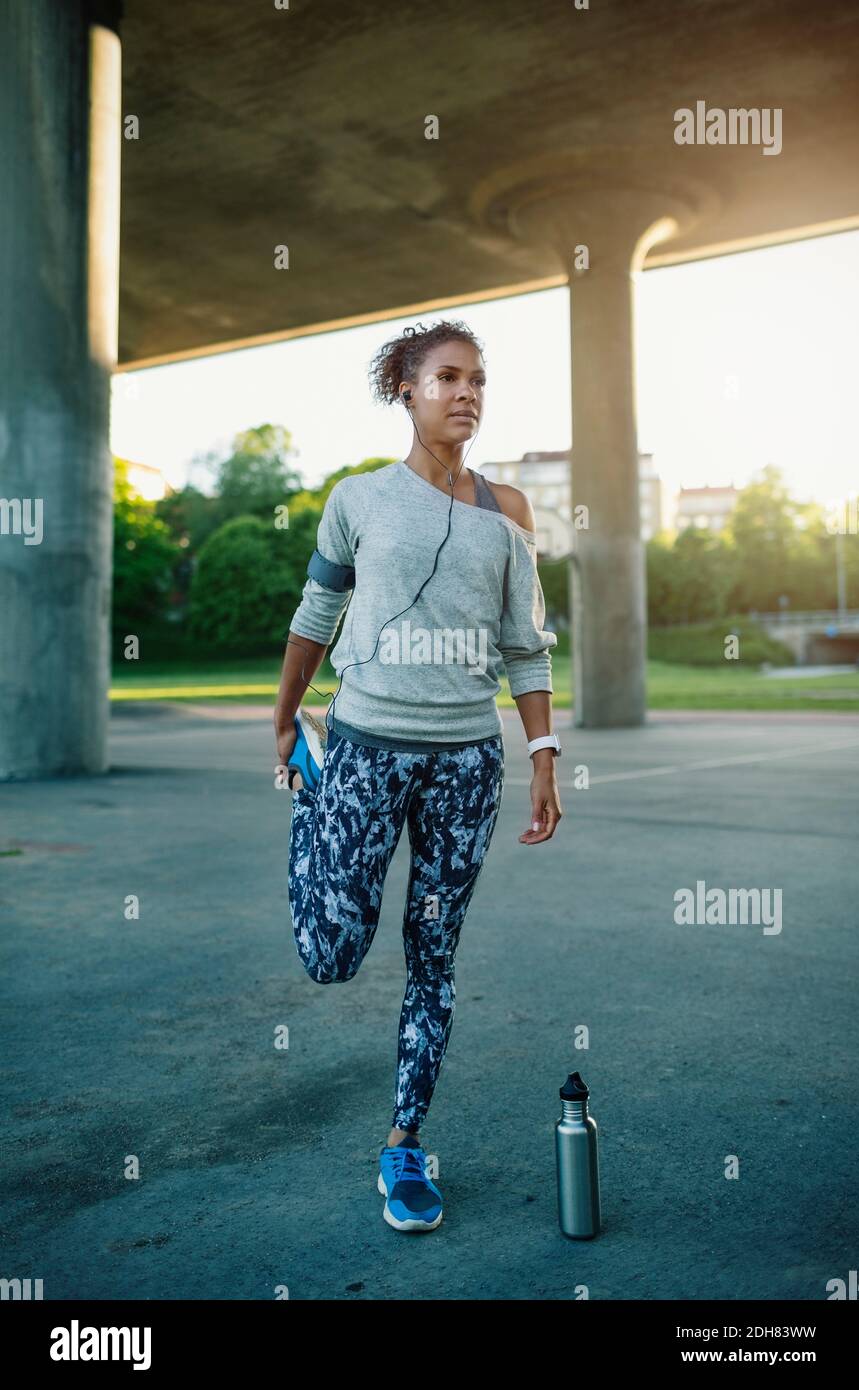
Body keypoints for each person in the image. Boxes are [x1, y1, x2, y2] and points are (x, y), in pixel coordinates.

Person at [273, 319, 563, 1231]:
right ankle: (308, 821)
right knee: (332, 959)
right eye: (446, 377)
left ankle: (404, 1147)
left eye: (478, 379)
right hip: (360, 749)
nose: (466, 393)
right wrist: (285, 718)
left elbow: (527, 646)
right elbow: (316, 613)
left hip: (464, 768)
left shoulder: (508, 512)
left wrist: (544, 754)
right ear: (406, 387)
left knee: (433, 959)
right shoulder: (358, 500)